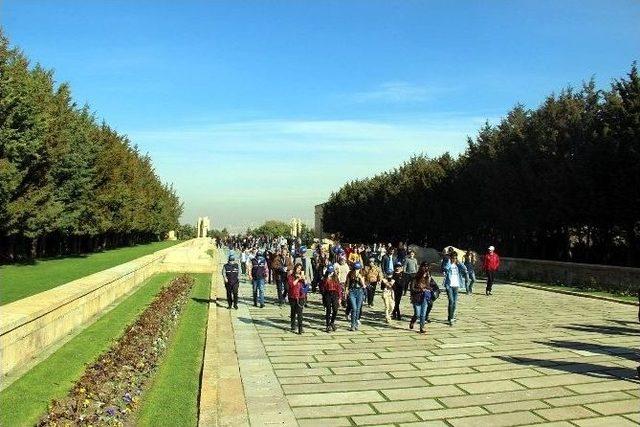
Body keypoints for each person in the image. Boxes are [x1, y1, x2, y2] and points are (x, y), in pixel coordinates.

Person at [442, 251, 468, 326]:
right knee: (451, 301)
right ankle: (450, 318)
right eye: (453, 258)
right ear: (450, 258)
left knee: (455, 302)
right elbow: (445, 268)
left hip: (456, 285)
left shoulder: (458, 265)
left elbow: (465, 269)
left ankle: (451, 316)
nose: (454, 259)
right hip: (449, 285)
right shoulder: (448, 263)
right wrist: (450, 262)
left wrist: (459, 262)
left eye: (455, 258)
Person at [409, 262, 433, 333]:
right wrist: (420, 289)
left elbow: (428, 287)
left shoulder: (427, 277)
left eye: (427, 268)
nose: (426, 271)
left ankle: (421, 328)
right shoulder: (415, 277)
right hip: (416, 298)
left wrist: (429, 289)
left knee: (423, 314)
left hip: (424, 297)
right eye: (425, 268)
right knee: (417, 314)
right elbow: (412, 289)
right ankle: (412, 321)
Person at [346, 262, 366, 331]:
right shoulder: (350, 273)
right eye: (355, 269)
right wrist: (346, 291)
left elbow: (364, 286)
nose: (356, 270)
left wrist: (360, 278)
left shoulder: (362, 273)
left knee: (358, 309)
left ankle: (356, 323)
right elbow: (347, 284)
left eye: (358, 269)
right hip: (352, 291)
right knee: (354, 308)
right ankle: (352, 325)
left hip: (360, 291)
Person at [287, 263, 306, 334]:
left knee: (300, 312)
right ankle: (293, 325)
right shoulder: (290, 276)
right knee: (293, 311)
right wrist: (298, 279)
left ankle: (300, 328)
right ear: (295, 268)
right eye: (298, 268)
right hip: (292, 296)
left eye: (300, 269)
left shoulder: (302, 276)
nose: (299, 270)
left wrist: (304, 279)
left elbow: (306, 286)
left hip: (301, 296)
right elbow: (291, 284)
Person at [322, 265, 341, 332]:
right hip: (328, 293)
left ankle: (332, 322)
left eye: (332, 272)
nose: (331, 273)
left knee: (335, 309)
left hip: (335, 293)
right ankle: (327, 325)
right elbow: (323, 287)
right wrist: (326, 279)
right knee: (328, 310)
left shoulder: (336, 277)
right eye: (329, 272)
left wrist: (340, 297)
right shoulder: (325, 278)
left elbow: (338, 288)